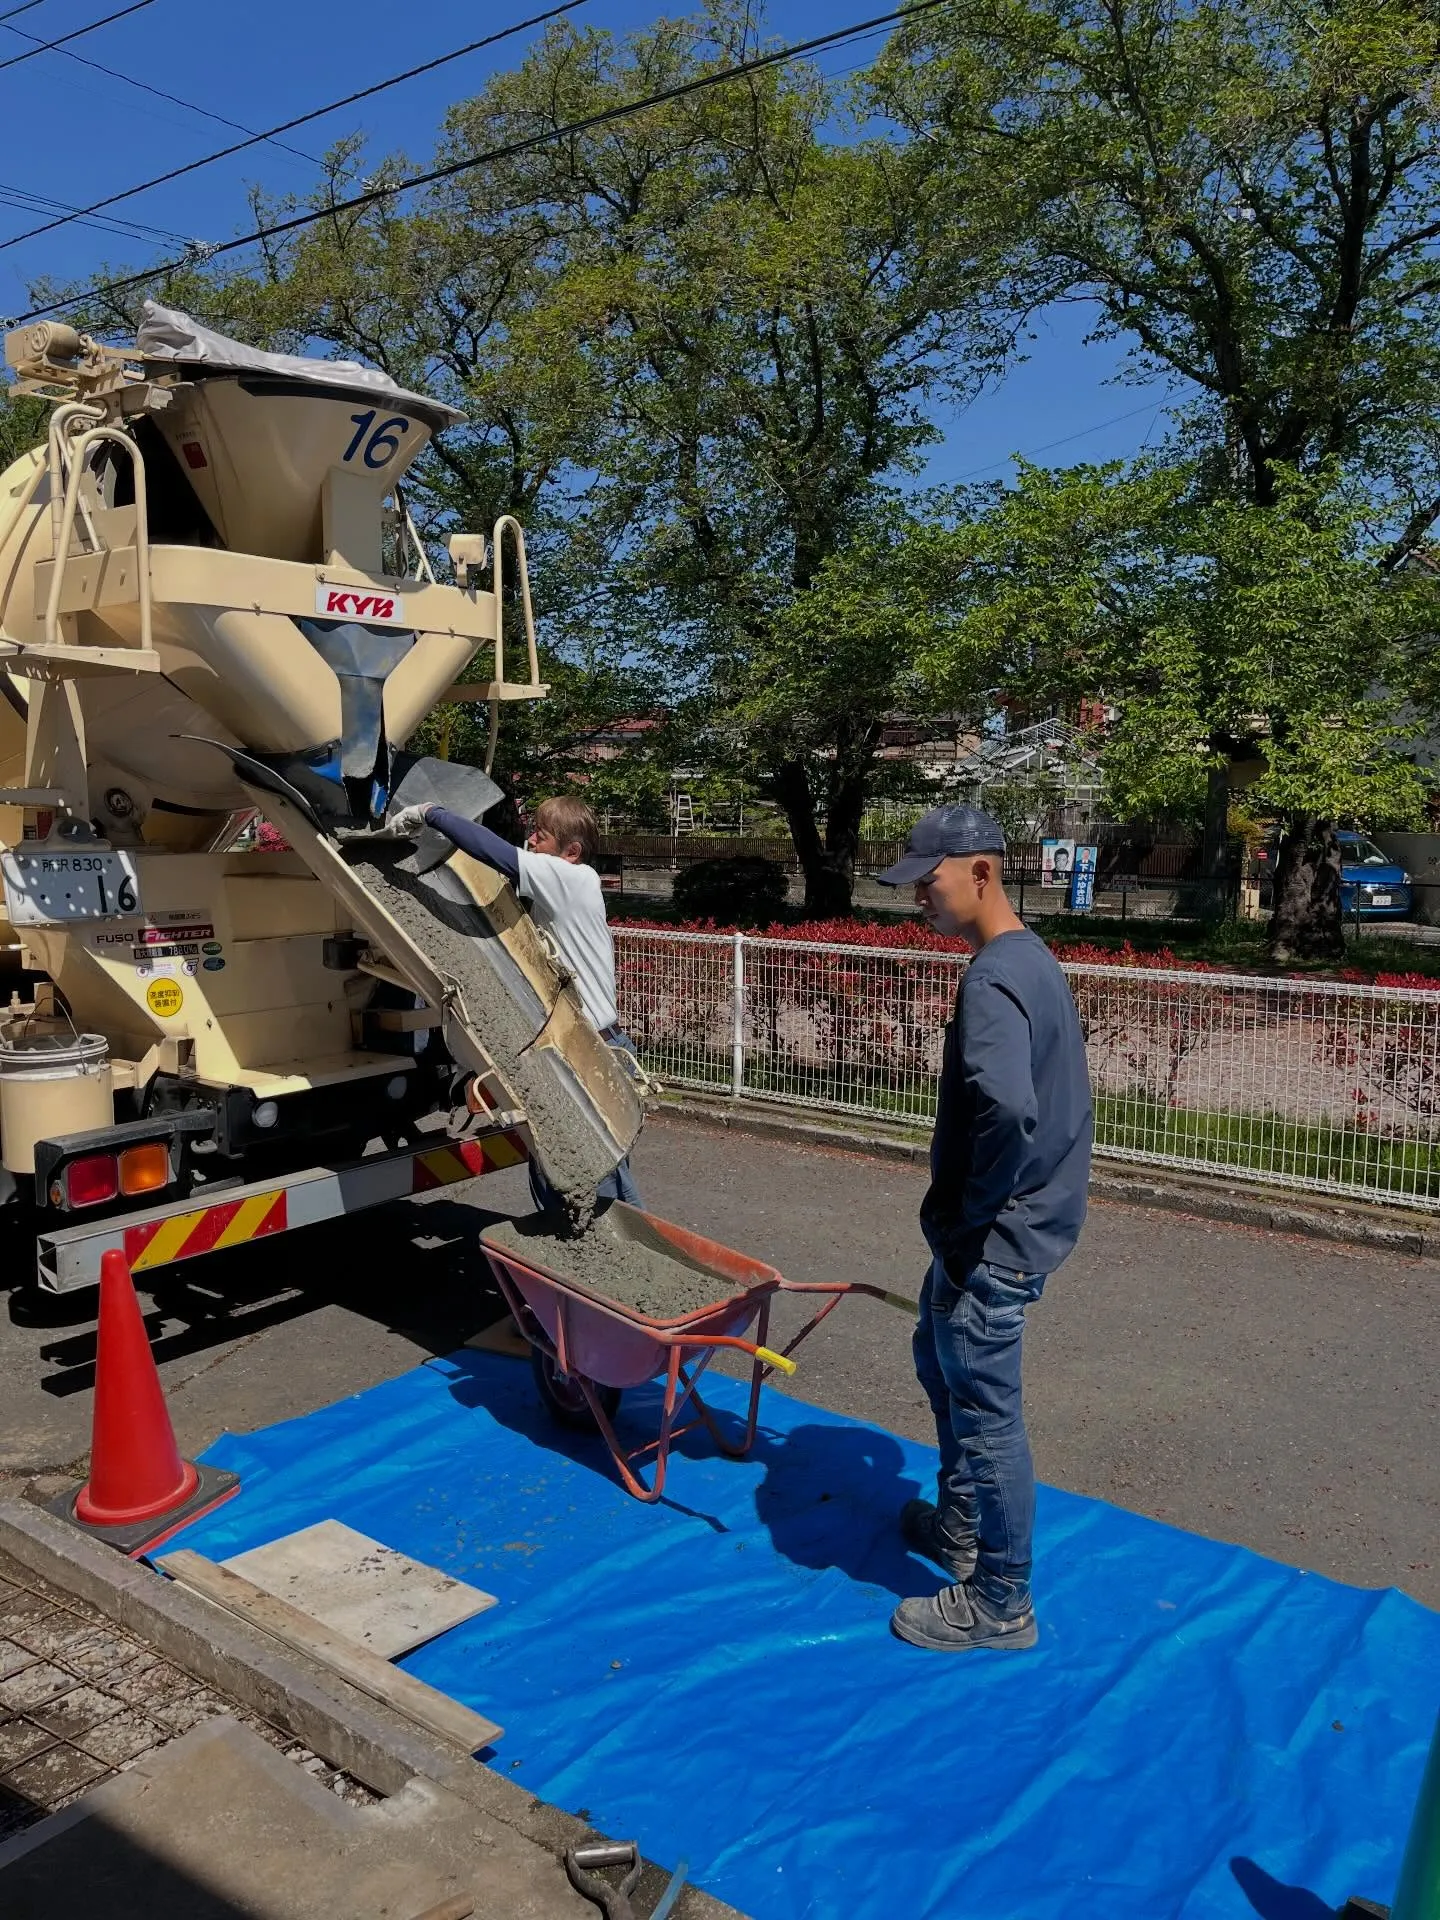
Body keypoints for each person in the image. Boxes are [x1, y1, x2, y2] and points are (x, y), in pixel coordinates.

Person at [877, 806, 1092, 1652]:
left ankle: (1002, 1599)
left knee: (986, 1409)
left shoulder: (994, 978)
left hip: (994, 1238)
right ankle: (962, 1525)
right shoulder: (1027, 959)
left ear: (980, 872)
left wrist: (973, 1218)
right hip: (997, 1229)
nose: (918, 897)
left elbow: (1008, 1107)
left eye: (928, 880)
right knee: (939, 1359)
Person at [390, 793, 643, 1208]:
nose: (531, 844)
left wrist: (432, 813)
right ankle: (580, 1254)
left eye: (540, 837)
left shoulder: (573, 879)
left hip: (590, 1053)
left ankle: (631, 1260)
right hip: (585, 1047)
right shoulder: (565, 892)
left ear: (572, 852)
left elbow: (497, 854)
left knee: (599, 1185)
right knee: (562, 1172)